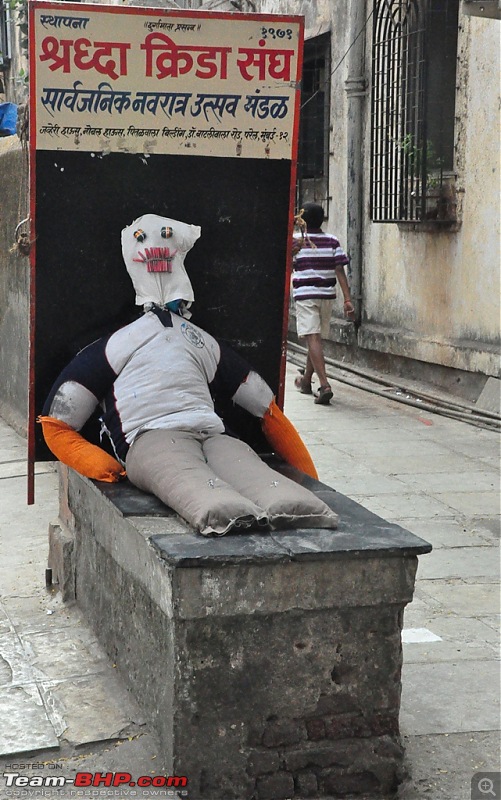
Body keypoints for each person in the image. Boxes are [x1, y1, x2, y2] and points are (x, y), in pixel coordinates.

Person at [39, 213, 339, 537]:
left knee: (245, 465)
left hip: (212, 431)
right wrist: (96, 463)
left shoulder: (199, 340)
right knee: (185, 477)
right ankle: (224, 510)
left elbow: (265, 408)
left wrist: (309, 479)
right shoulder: (119, 344)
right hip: (151, 434)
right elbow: (58, 421)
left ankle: (292, 502)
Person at [292, 202, 355, 405]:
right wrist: (347, 298)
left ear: (303, 220)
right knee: (316, 338)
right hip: (327, 295)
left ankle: (324, 385)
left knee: (313, 338)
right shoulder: (332, 241)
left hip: (305, 295)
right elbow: (339, 270)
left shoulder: (296, 242)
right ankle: (306, 381)